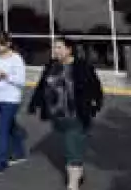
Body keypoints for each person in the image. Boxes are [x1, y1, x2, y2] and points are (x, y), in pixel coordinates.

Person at [28, 38, 103, 190]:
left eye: (59, 47)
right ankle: (78, 171)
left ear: (69, 50)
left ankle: (73, 183)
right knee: (73, 144)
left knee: (71, 146)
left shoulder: (82, 66)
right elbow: (42, 85)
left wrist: (95, 104)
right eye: (54, 48)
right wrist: (34, 103)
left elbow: (95, 86)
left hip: (76, 113)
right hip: (58, 114)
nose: (56, 50)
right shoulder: (51, 65)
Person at [0, 32, 27, 177]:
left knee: (2, 130)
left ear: (8, 44)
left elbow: (21, 81)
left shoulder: (16, 59)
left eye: (0, 44)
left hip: (10, 99)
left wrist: (6, 76)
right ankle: (19, 153)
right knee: (10, 125)